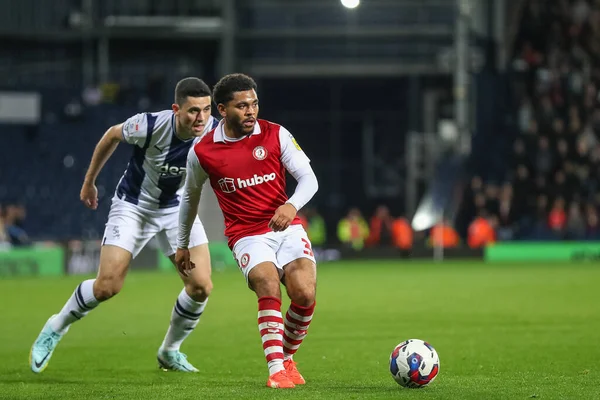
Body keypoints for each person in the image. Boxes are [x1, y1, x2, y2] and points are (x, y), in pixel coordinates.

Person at [30, 77, 219, 374]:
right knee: (107, 286)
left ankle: (169, 351)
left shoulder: (215, 132)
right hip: (134, 207)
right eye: (194, 110)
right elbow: (111, 135)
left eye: (207, 110)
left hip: (177, 211)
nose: (201, 118)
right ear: (176, 109)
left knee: (200, 287)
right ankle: (56, 326)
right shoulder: (149, 124)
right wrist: (89, 182)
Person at [176, 73, 319, 389]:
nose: (251, 111)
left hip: (286, 225)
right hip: (246, 234)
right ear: (222, 110)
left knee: (305, 293)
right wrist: (182, 242)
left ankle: (288, 357)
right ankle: (276, 371)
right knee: (268, 283)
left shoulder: (276, 134)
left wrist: (291, 206)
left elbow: (310, 179)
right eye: (242, 106)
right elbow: (190, 197)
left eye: (254, 103)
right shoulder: (203, 151)